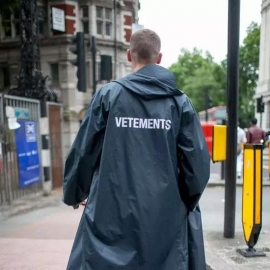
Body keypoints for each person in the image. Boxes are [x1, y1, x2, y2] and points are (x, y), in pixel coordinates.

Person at [63, 29, 210, 270]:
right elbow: (198, 165)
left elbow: (84, 151)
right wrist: (183, 200)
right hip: (164, 216)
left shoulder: (108, 96)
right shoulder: (179, 103)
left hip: (109, 212)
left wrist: (76, 191)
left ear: (129, 55)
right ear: (159, 58)